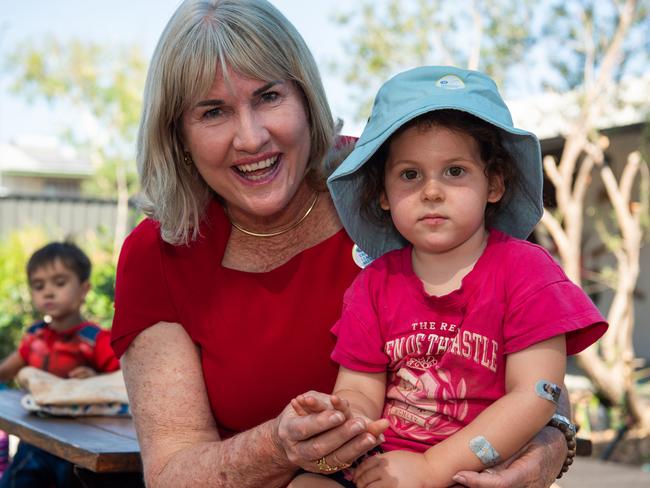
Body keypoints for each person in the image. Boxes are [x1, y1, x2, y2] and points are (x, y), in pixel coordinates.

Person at [111, 1, 576, 487]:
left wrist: (549, 445)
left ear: (306, 99)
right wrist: (281, 445)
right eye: (213, 111)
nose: (250, 138)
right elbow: (170, 475)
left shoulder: (399, 182)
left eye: (268, 96)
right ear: (177, 134)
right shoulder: (160, 253)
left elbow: (531, 357)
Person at [288, 66, 608, 488]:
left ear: (493, 183)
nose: (432, 191)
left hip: (476, 469)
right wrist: (344, 418)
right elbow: (361, 388)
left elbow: (537, 394)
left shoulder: (527, 272)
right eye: (409, 175)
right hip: (388, 468)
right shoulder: (373, 284)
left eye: (454, 171)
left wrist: (431, 469)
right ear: (383, 194)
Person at [0, 241, 120, 488]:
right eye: (39, 286)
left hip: (81, 443)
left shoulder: (94, 340)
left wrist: (94, 377)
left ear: (84, 289)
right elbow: (5, 372)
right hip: (35, 438)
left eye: (60, 283)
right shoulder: (34, 338)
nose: (48, 292)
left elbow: (121, 381)